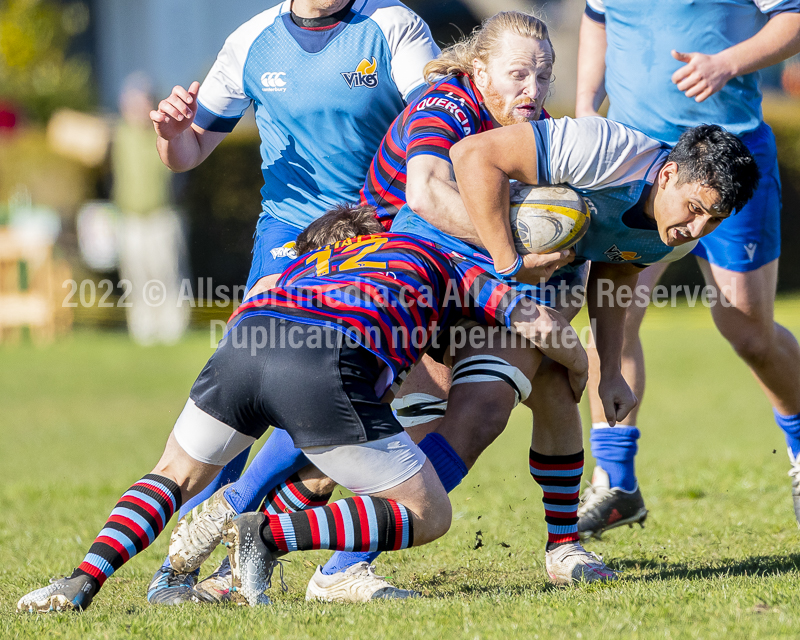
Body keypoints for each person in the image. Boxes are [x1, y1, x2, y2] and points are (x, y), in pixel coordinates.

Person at [167, 12, 612, 600]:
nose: (532, 90)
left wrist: (561, 293)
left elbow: (566, 230)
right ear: (480, 69)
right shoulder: (445, 104)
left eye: (544, 76)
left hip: (454, 278)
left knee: (515, 392)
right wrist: (513, 255)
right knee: (347, 423)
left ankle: (561, 546)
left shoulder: (538, 129)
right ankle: (240, 521)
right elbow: (425, 195)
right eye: (518, 74)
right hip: (388, 277)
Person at [16, 204, 589, 613]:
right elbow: (529, 318)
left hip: (245, 342)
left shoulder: (305, 263)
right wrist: (580, 363)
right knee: (428, 513)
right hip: (326, 356)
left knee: (175, 474)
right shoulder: (434, 254)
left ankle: (79, 581)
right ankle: (267, 534)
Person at [145, 0, 440, 603]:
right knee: (238, 399)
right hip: (286, 244)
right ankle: (188, 569)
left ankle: (247, 533)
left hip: (375, 239)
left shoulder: (392, 26)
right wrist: (172, 138)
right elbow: (190, 149)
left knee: (351, 396)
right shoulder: (251, 40)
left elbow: (441, 117)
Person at [573, 0, 800, 539]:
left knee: (747, 330)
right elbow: (596, 19)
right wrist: (586, 104)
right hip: (635, 156)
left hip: (733, 157)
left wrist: (728, 63)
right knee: (612, 314)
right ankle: (615, 482)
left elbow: (793, 20)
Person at [115, 73, 190, 346]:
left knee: (167, 272)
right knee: (136, 275)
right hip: (130, 216)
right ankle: (143, 329)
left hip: (162, 214)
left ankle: (173, 327)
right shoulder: (118, 135)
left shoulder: (163, 132)